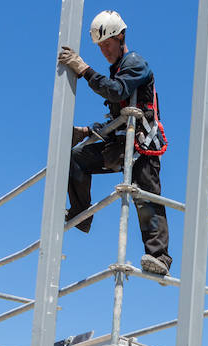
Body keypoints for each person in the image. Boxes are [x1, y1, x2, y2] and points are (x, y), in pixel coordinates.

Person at [57, 11, 172, 276]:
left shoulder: (135, 63)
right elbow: (118, 115)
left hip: (143, 145)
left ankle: (159, 257)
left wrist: (84, 69)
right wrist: (88, 131)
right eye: (100, 47)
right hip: (121, 144)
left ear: (121, 37)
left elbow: (116, 91)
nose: (104, 50)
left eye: (107, 44)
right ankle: (80, 214)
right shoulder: (117, 68)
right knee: (76, 158)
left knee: (145, 199)